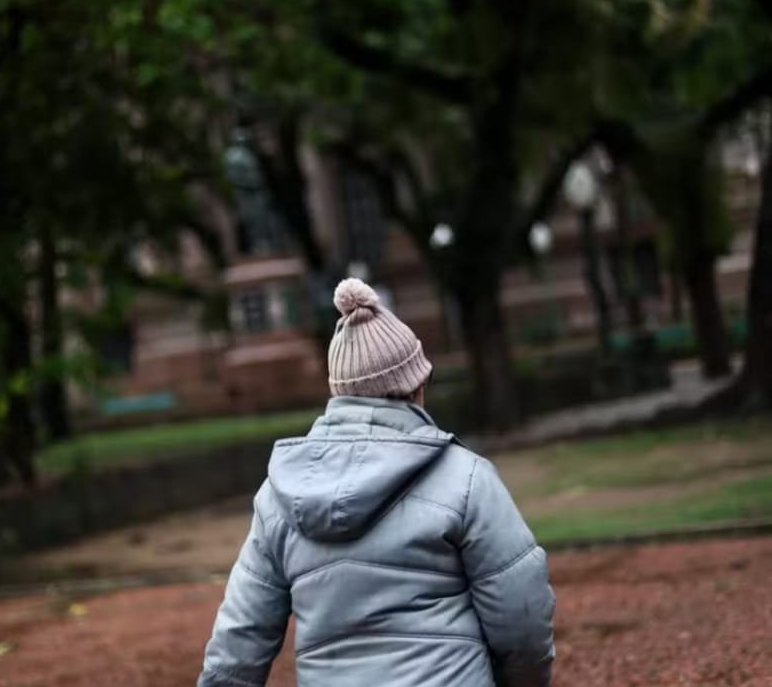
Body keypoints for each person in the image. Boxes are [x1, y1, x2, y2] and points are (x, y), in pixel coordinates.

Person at [197, 278, 555, 687]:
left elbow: (239, 638)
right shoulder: (466, 478)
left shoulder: (278, 497)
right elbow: (521, 614)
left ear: (339, 394)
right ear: (415, 387)